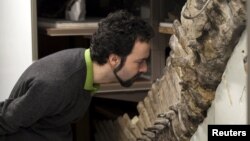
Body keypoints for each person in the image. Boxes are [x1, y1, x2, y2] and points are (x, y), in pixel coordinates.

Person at [0, 10, 154, 141]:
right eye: (140, 62)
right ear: (114, 59)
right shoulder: (58, 82)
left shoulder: (86, 74)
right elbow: (5, 120)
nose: (144, 68)